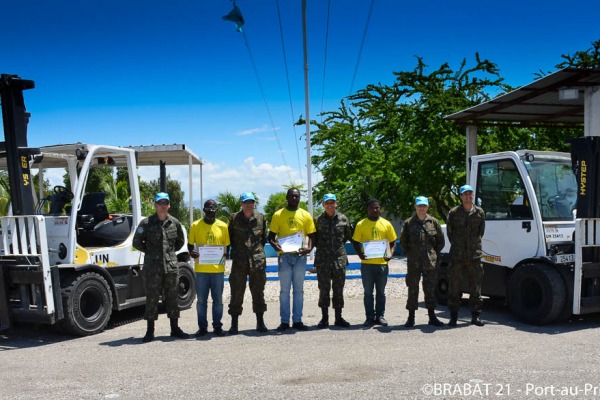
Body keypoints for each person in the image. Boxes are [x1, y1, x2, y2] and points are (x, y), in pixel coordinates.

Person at [132, 192, 189, 343]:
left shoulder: (175, 223)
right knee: (151, 298)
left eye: (165, 203)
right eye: (160, 203)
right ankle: (150, 331)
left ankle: (175, 329)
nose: (163, 206)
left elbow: (180, 242)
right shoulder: (146, 223)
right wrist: (151, 253)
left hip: (170, 266)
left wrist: (169, 253)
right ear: (155, 205)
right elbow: (136, 242)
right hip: (152, 268)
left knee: (172, 298)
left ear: (169, 205)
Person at [268, 188, 316, 332]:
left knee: (299, 290)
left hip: (300, 256)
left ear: (299, 198)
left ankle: (297, 320)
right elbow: (270, 236)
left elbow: (312, 235)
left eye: (297, 196)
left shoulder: (305, 215)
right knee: (284, 291)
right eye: (292, 195)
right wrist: (274, 245)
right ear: (287, 197)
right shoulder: (278, 215)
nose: (294, 198)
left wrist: (309, 249)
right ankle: (284, 321)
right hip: (284, 256)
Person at [399, 196, 445, 328]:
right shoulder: (409, 223)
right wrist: (412, 253)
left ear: (428, 207)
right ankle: (411, 318)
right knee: (412, 289)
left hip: (430, 262)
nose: (422, 208)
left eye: (424, 206)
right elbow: (403, 242)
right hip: (414, 263)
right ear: (415, 206)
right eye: (419, 205)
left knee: (430, 289)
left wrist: (432, 254)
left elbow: (440, 242)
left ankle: (432, 316)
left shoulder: (434, 222)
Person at [227, 192, 269, 334]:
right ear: (241, 204)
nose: (249, 205)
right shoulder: (234, 219)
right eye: (246, 202)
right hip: (239, 261)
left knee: (258, 293)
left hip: (256, 262)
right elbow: (230, 238)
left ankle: (260, 322)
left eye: (251, 202)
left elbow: (263, 239)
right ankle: (234, 324)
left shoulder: (261, 218)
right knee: (236, 293)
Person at [352, 198, 397, 327]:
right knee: (368, 292)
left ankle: (380, 316)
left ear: (380, 208)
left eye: (377, 207)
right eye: (372, 208)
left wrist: (391, 253)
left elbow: (393, 241)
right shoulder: (361, 224)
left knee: (381, 292)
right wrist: (360, 254)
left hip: (382, 264)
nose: (375, 210)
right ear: (368, 209)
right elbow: (355, 242)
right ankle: (369, 317)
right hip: (367, 265)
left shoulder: (386, 224)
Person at [188, 199, 230, 336]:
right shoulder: (195, 225)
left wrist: (225, 253)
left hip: (217, 270)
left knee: (218, 300)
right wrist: (191, 253)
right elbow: (190, 245)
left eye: (213, 208)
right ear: (204, 210)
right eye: (208, 208)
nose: (211, 211)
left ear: (216, 210)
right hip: (201, 270)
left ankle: (217, 326)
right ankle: (202, 327)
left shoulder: (223, 226)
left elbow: (227, 245)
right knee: (201, 301)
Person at [446, 184, 486, 327]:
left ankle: (476, 316)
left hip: (474, 257)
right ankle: (454, 317)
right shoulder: (454, 213)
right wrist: (459, 247)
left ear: (473, 195)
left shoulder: (480, 212)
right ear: (461, 196)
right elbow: (450, 233)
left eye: (470, 193)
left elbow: (481, 233)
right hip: (457, 257)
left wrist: (472, 247)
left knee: (475, 287)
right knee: (454, 287)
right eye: (465, 194)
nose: (468, 196)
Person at [312, 193, 353, 328]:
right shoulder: (317, 220)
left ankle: (338, 317)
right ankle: (324, 318)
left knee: (338, 289)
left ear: (336, 203)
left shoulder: (343, 219)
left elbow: (347, 236)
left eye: (332, 202)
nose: (330, 205)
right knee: (323, 289)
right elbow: (313, 238)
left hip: (339, 259)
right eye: (327, 203)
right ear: (323, 205)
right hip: (323, 259)